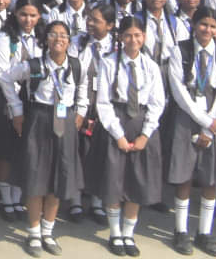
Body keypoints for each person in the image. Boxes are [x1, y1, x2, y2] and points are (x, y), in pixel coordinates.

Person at [164, 7, 216, 257]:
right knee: (184, 175)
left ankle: (205, 232)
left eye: (213, 26)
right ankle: (181, 230)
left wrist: (209, 126)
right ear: (194, 25)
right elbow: (179, 91)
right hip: (187, 115)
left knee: (210, 177)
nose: (207, 30)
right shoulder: (180, 50)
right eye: (203, 24)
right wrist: (203, 119)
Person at [96, 15, 166, 257]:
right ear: (120, 37)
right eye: (128, 35)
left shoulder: (151, 66)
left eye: (137, 35)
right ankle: (115, 233)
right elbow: (103, 102)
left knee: (137, 181)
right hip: (116, 122)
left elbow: (157, 103)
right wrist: (118, 135)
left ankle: (128, 233)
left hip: (142, 124)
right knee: (114, 181)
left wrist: (146, 134)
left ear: (144, 37)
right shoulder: (108, 63)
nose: (133, 40)